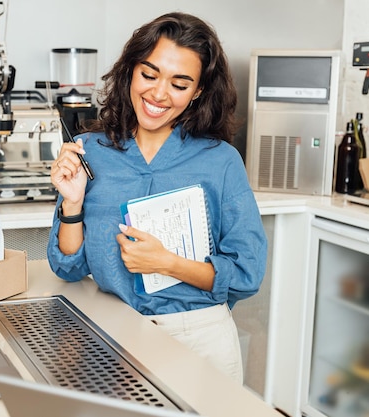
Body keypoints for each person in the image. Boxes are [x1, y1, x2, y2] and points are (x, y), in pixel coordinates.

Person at [47, 12, 267, 384]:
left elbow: (246, 274)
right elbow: (68, 268)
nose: (158, 94)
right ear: (131, 70)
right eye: (149, 75)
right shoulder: (90, 151)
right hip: (113, 332)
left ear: (198, 91)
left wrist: (167, 263)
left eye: (179, 84)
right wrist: (72, 204)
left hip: (200, 340)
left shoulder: (220, 160)